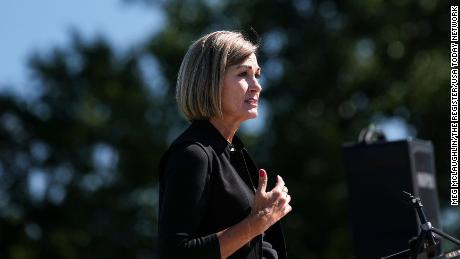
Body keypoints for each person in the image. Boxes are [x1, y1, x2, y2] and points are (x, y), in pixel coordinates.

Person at [158, 30, 292, 259]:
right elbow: (176, 254)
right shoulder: (193, 154)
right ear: (210, 81)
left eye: (257, 75)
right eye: (243, 74)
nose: (256, 86)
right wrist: (259, 221)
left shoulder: (232, 153)